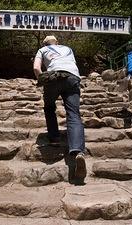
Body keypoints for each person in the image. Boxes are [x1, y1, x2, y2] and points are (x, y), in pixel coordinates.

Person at [33, 35, 86, 179]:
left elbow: (36, 67)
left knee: (49, 107)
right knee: (73, 114)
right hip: (72, 77)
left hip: (53, 77)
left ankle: (54, 138)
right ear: (57, 42)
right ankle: (78, 152)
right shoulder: (67, 48)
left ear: (45, 43)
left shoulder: (42, 50)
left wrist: (41, 80)